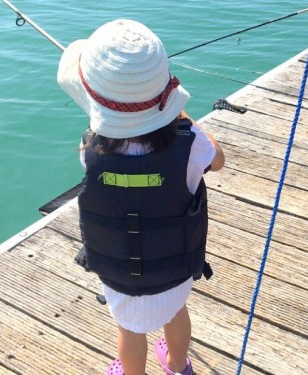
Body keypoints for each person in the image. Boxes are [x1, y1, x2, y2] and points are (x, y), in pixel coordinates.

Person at [57, 19, 225, 375]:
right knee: (176, 313)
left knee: (129, 329)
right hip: (176, 266)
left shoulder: (89, 150)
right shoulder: (190, 141)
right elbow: (218, 160)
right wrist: (181, 117)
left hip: (119, 271)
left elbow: (109, 138)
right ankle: (178, 366)